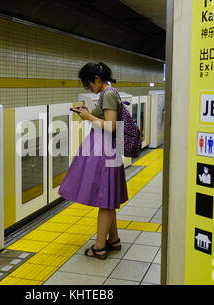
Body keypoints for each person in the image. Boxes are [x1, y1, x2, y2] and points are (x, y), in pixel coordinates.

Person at [58, 62, 128, 260]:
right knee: (109, 197)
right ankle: (113, 240)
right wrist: (90, 113)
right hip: (107, 150)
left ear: (97, 79)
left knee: (105, 199)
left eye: (88, 84)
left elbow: (111, 126)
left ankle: (100, 247)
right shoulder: (108, 94)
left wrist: (88, 116)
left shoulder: (108, 94)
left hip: (105, 152)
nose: (88, 88)